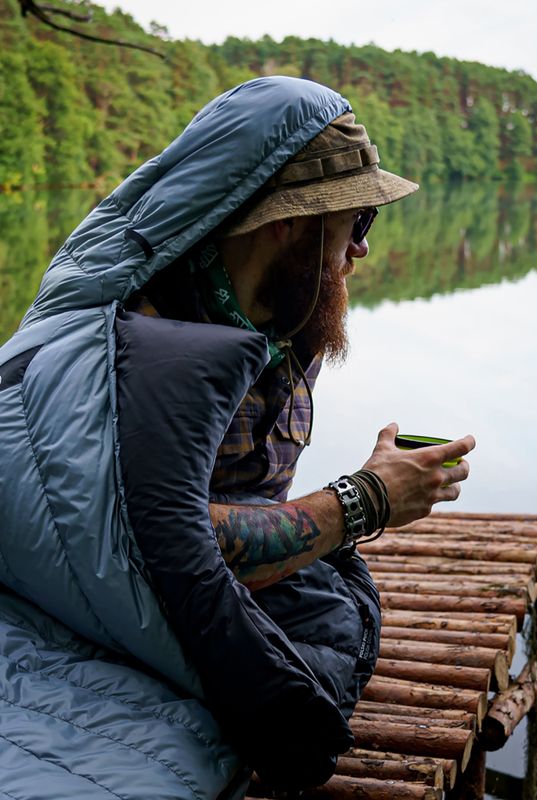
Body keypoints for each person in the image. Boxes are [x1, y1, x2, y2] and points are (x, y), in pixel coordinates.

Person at [0, 76, 474, 799]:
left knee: (327, 619)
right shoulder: (146, 344)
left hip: (157, 610)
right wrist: (362, 501)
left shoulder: (281, 320)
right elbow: (152, 546)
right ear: (290, 222)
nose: (361, 250)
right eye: (358, 220)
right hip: (70, 614)